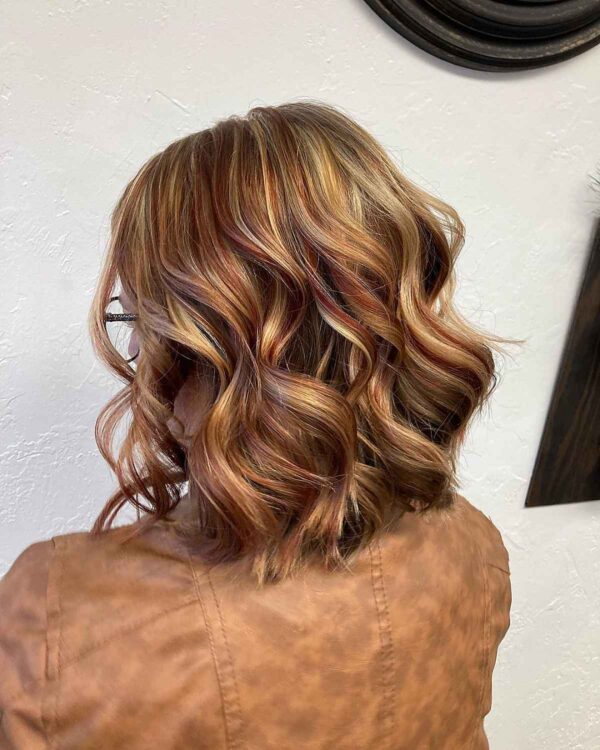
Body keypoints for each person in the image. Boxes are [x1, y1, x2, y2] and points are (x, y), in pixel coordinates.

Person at [0, 100, 514, 749]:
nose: (134, 352)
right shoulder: (471, 547)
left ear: (204, 346)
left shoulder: (57, 615)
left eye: (138, 319)